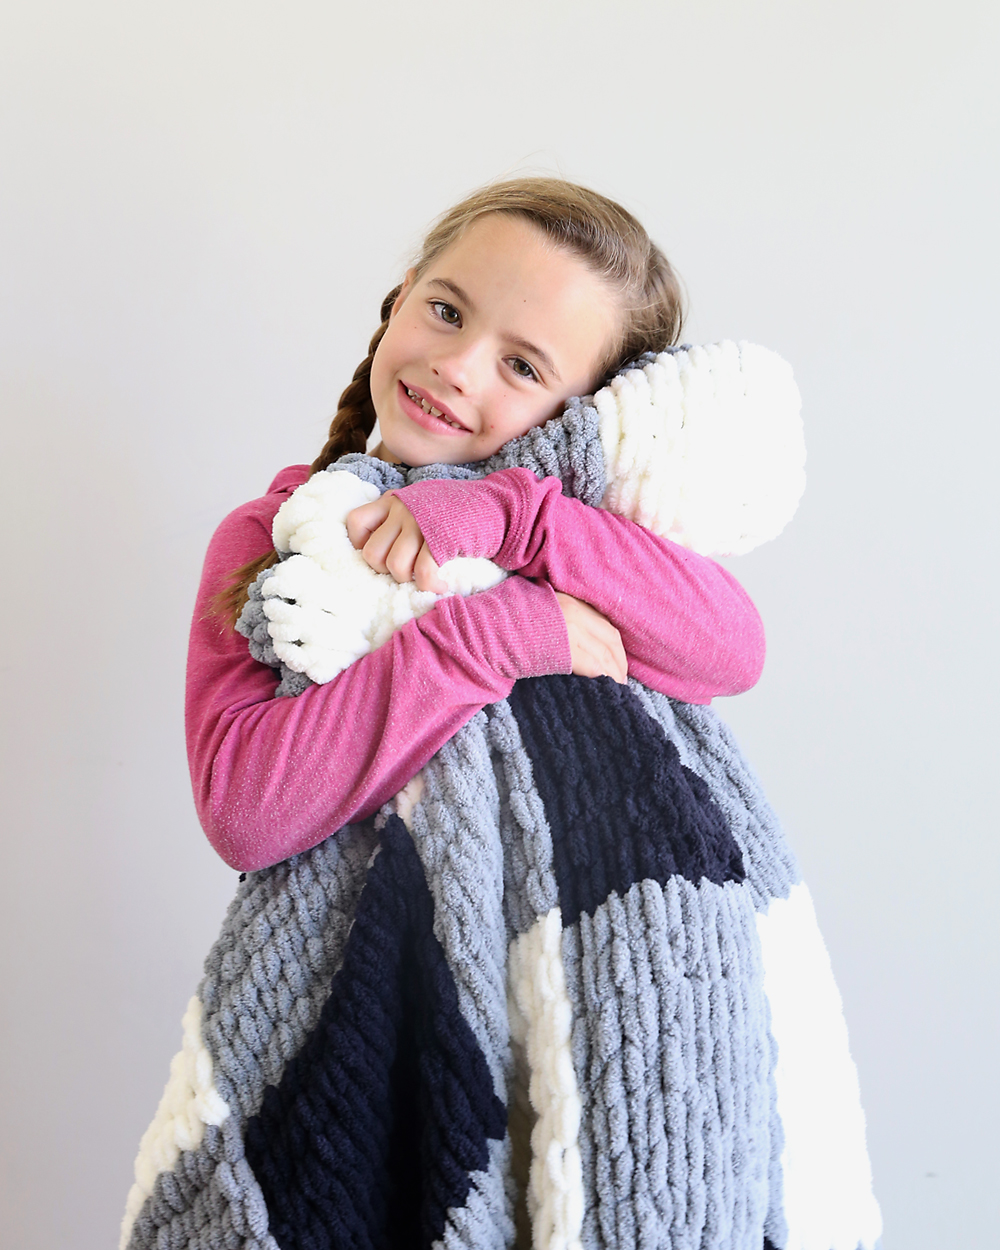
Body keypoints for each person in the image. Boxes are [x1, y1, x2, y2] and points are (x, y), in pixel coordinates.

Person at [186, 178, 765, 873]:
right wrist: (494, 634)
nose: (455, 367)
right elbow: (243, 818)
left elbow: (734, 649)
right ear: (401, 298)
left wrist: (513, 518)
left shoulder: (575, 538)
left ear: (581, 415)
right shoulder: (279, 536)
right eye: (446, 311)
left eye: (521, 365)